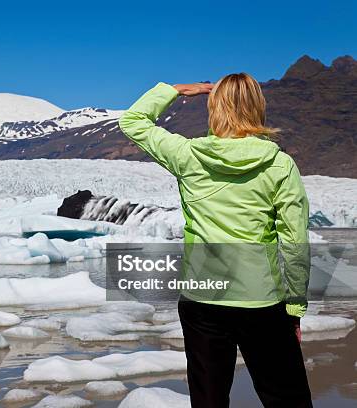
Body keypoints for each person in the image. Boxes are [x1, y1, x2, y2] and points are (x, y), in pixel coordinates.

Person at [119, 74, 312, 408]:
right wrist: (294, 308)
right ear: (257, 108)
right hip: (261, 301)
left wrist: (175, 91)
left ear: (215, 107)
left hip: (202, 300)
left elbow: (132, 120)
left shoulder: (187, 154)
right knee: (287, 399)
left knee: (209, 400)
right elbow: (295, 243)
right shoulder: (280, 165)